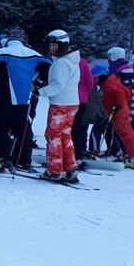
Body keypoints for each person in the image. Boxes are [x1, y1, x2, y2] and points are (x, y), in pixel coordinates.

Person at [0, 31, 43, 169]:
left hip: (4, 98)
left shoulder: (1, 53)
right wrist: (37, 82)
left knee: (0, 128)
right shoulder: (34, 54)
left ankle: (2, 157)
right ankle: (24, 159)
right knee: (24, 130)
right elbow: (49, 67)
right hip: (25, 99)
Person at [41, 29, 82, 182]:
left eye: (54, 45)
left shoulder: (62, 63)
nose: (51, 48)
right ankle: (70, 168)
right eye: (50, 45)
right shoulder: (72, 61)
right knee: (65, 136)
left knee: (53, 136)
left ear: (62, 46)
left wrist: (40, 91)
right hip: (71, 103)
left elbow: (58, 86)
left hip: (60, 104)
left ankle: (56, 170)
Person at [101, 49, 134, 169]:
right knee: (128, 132)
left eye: (110, 56)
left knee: (125, 132)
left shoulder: (120, 69)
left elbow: (122, 91)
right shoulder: (123, 67)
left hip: (124, 107)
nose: (108, 59)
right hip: (126, 106)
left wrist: (119, 103)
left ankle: (132, 155)